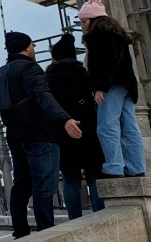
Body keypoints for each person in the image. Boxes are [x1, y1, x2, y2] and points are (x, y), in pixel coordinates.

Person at [0, 31, 82, 238]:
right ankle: (46, 233)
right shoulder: (29, 68)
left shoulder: (3, 71)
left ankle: (20, 232)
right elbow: (42, 95)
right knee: (44, 185)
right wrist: (65, 119)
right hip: (39, 134)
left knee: (21, 185)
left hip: (15, 136)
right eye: (33, 45)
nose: (34, 49)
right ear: (27, 47)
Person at [78, 0, 146, 178]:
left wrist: (100, 87)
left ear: (92, 19)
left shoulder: (97, 34)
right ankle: (136, 168)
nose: (82, 24)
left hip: (112, 85)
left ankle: (114, 167)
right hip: (127, 85)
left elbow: (107, 62)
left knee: (107, 126)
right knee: (129, 126)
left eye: (83, 20)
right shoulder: (116, 33)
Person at [46, 33, 105, 218]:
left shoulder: (48, 77)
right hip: (88, 129)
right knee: (94, 177)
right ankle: (99, 216)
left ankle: (75, 219)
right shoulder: (84, 73)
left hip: (64, 131)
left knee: (70, 179)